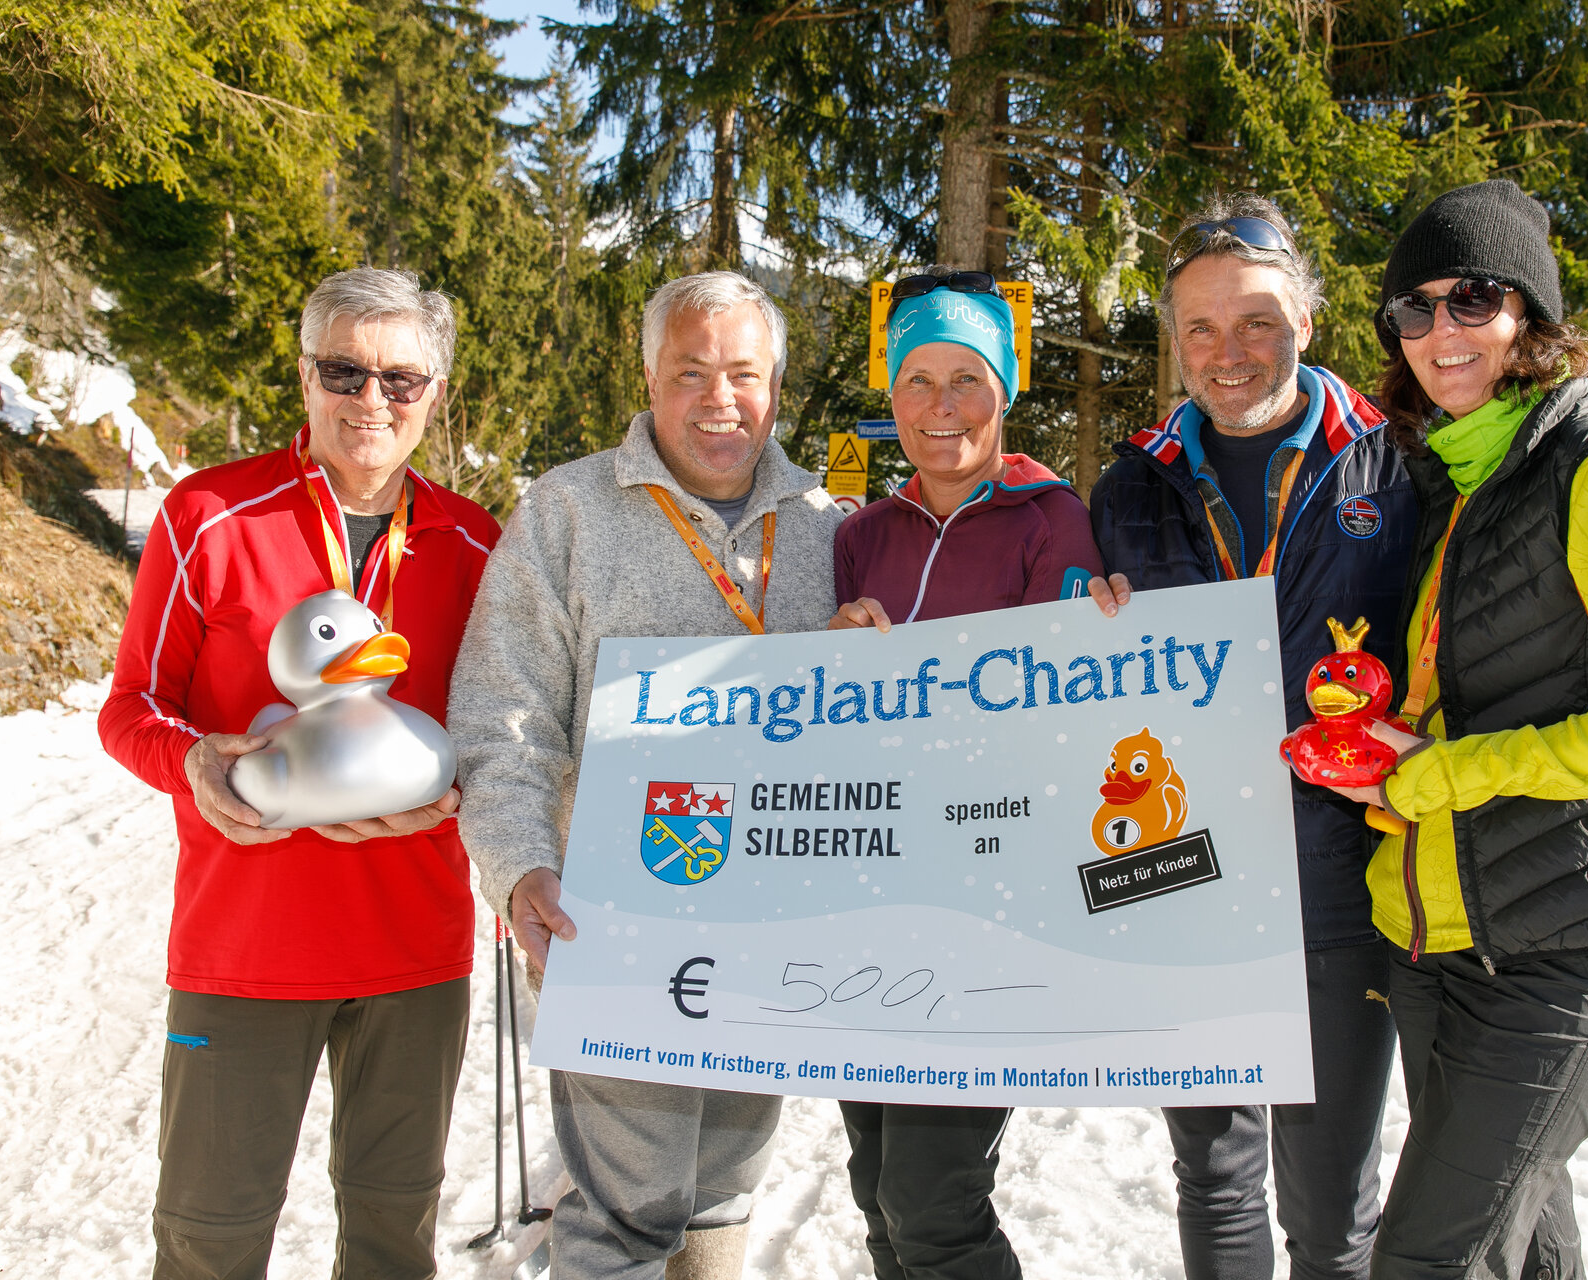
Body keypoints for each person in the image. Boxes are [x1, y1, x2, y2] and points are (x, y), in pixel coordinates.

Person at [1343, 179, 1588, 1279]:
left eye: (1473, 298)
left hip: (1568, 944)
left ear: (1531, 316)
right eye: (1414, 307)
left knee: (1426, 1258)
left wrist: (1451, 772)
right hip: (1438, 936)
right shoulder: (1444, 487)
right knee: (1526, 1250)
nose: (1443, 329)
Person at [97, 267, 502, 1279]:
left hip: (414, 954)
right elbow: (131, 707)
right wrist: (193, 761)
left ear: (434, 393)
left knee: (393, 1241)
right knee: (210, 1240)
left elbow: (507, 729)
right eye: (345, 372)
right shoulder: (210, 514)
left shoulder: (475, 541)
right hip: (246, 949)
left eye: (401, 380)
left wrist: (460, 796)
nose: (372, 401)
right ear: (306, 376)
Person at [448, 270, 841, 1280]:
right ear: (650, 377)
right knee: (628, 1208)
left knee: (723, 1188)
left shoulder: (827, 524)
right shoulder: (568, 511)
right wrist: (518, 866)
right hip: (614, 919)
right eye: (690, 371)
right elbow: (503, 713)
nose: (720, 398)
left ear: (778, 382)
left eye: (744, 372)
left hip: (774, 918)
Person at [1085, 195, 1417, 1280]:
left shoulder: (1397, 463)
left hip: (1340, 879)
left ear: (1307, 322)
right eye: (1202, 327)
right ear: (1175, 340)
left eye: (1258, 321)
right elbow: (1082, 676)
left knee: (1331, 1208)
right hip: (1188, 875)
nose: (1229, 352)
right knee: (1216, 1176)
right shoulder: (1127, 488)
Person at [828, 265, 1104, 1279]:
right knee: (877, 1190)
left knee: (933, 1202)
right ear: (893, 393)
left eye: (967, 380)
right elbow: (825, 721)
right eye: (918, 380)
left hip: (992, 902)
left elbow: (1065, 719)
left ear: (1005, 391)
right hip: (871, 897)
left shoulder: (1050, 518)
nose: (941, 405)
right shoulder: (860, 535)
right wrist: (835, 656)